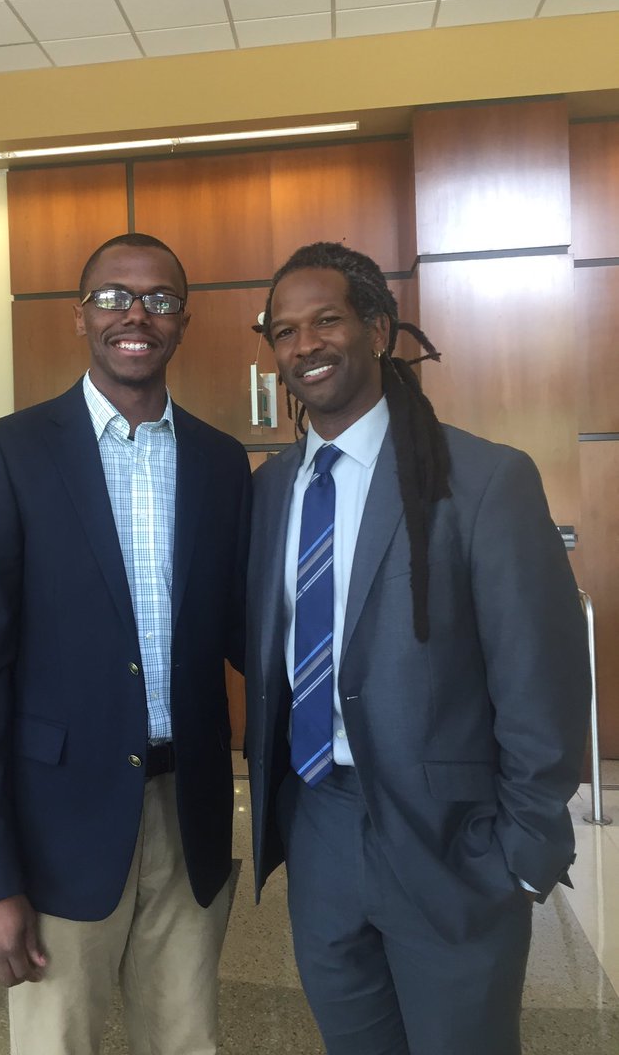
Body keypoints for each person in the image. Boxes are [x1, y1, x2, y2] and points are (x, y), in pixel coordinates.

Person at [245, 242, 591, 1055]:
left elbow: (538, 676)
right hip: (320, 824)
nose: (305, 346)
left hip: (452, 843)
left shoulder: (482, 479)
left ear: (377, 327)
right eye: (284, 331)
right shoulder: (271, 489)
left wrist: (526, 851)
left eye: (326, 320)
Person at [0, 233, 250, 1055]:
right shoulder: (11, 452)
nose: (135, 315)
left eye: (158, 299)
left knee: (187, 1042)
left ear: (183, 320)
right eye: (114, 296)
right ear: (81, 315)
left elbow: (244, 633)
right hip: (57, 825)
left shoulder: (223, 464)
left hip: (189, 818)